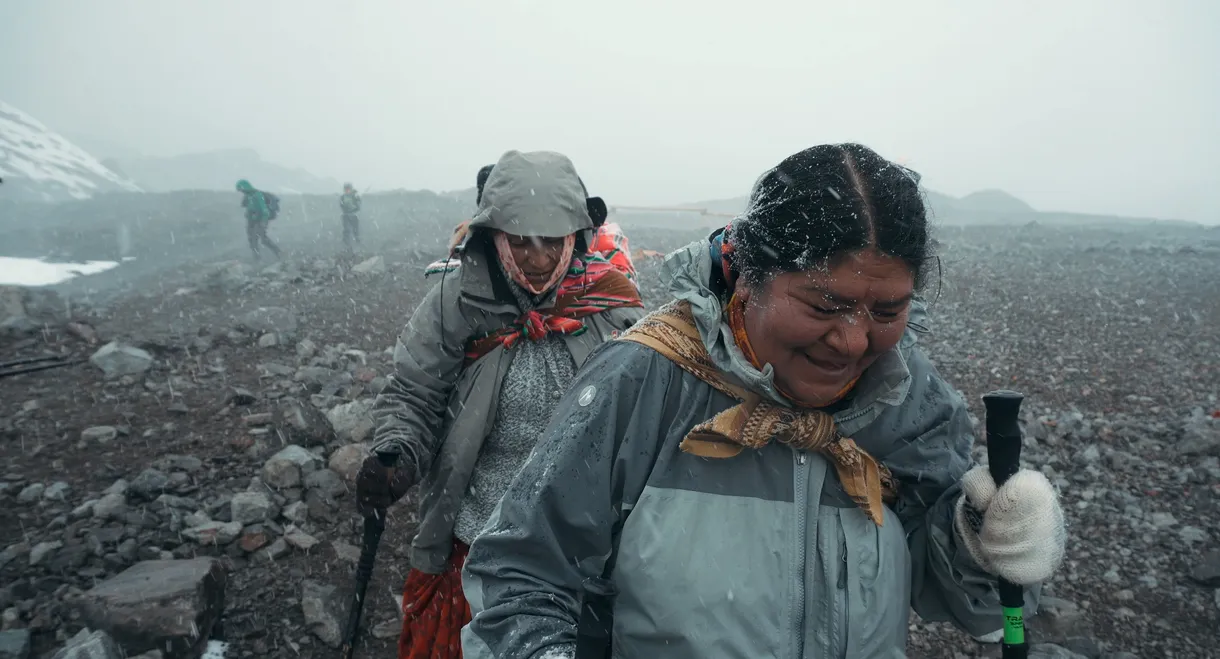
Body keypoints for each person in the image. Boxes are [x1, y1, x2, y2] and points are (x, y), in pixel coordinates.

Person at [460, 143, 1067, 658]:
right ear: (748, 277)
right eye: (824, 306)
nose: (854, 340)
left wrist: (981, 541)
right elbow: (522, 572)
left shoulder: (907, 400)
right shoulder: (647, 383)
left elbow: (970, 605)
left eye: (887, 311)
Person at [356, 150, 647, 659]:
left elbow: (640, 419)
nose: (536, 259)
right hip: (476, 539)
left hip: (578, 546)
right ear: (493, 236)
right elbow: (415, 392)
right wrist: (397, 454)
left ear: (576, 237)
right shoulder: (457, 303)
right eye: (520, 242)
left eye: (551, 242)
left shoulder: (613, 310)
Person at [429, 164, 638, 287]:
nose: (538, 259)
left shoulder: (606, 250)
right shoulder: (466, 263)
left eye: (553, 238)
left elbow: (622, 293)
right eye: (517, 239)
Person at [236, 179, 281, 261]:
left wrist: (263, 221)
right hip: (252, 220)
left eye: (242, 190)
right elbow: (248, 207)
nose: (242, 192)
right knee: (253, 240)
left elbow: (264, 209)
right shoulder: (248, 196)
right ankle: (257, 258)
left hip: (260, 220)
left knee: (262, 239)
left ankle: (279, 253)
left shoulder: (257, 195)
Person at [339, 182, 362, 248]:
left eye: (348, 189)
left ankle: (357, 242)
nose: (347, 190)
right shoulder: (343, 197)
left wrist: (354, 207)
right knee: (346, 230)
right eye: (346, 189)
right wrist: (346, 209)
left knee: (355, 230)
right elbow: (341, 205)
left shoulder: (355, 196)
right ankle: (346, 244)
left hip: (353, 215)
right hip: (346, 215)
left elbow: (358, 207)